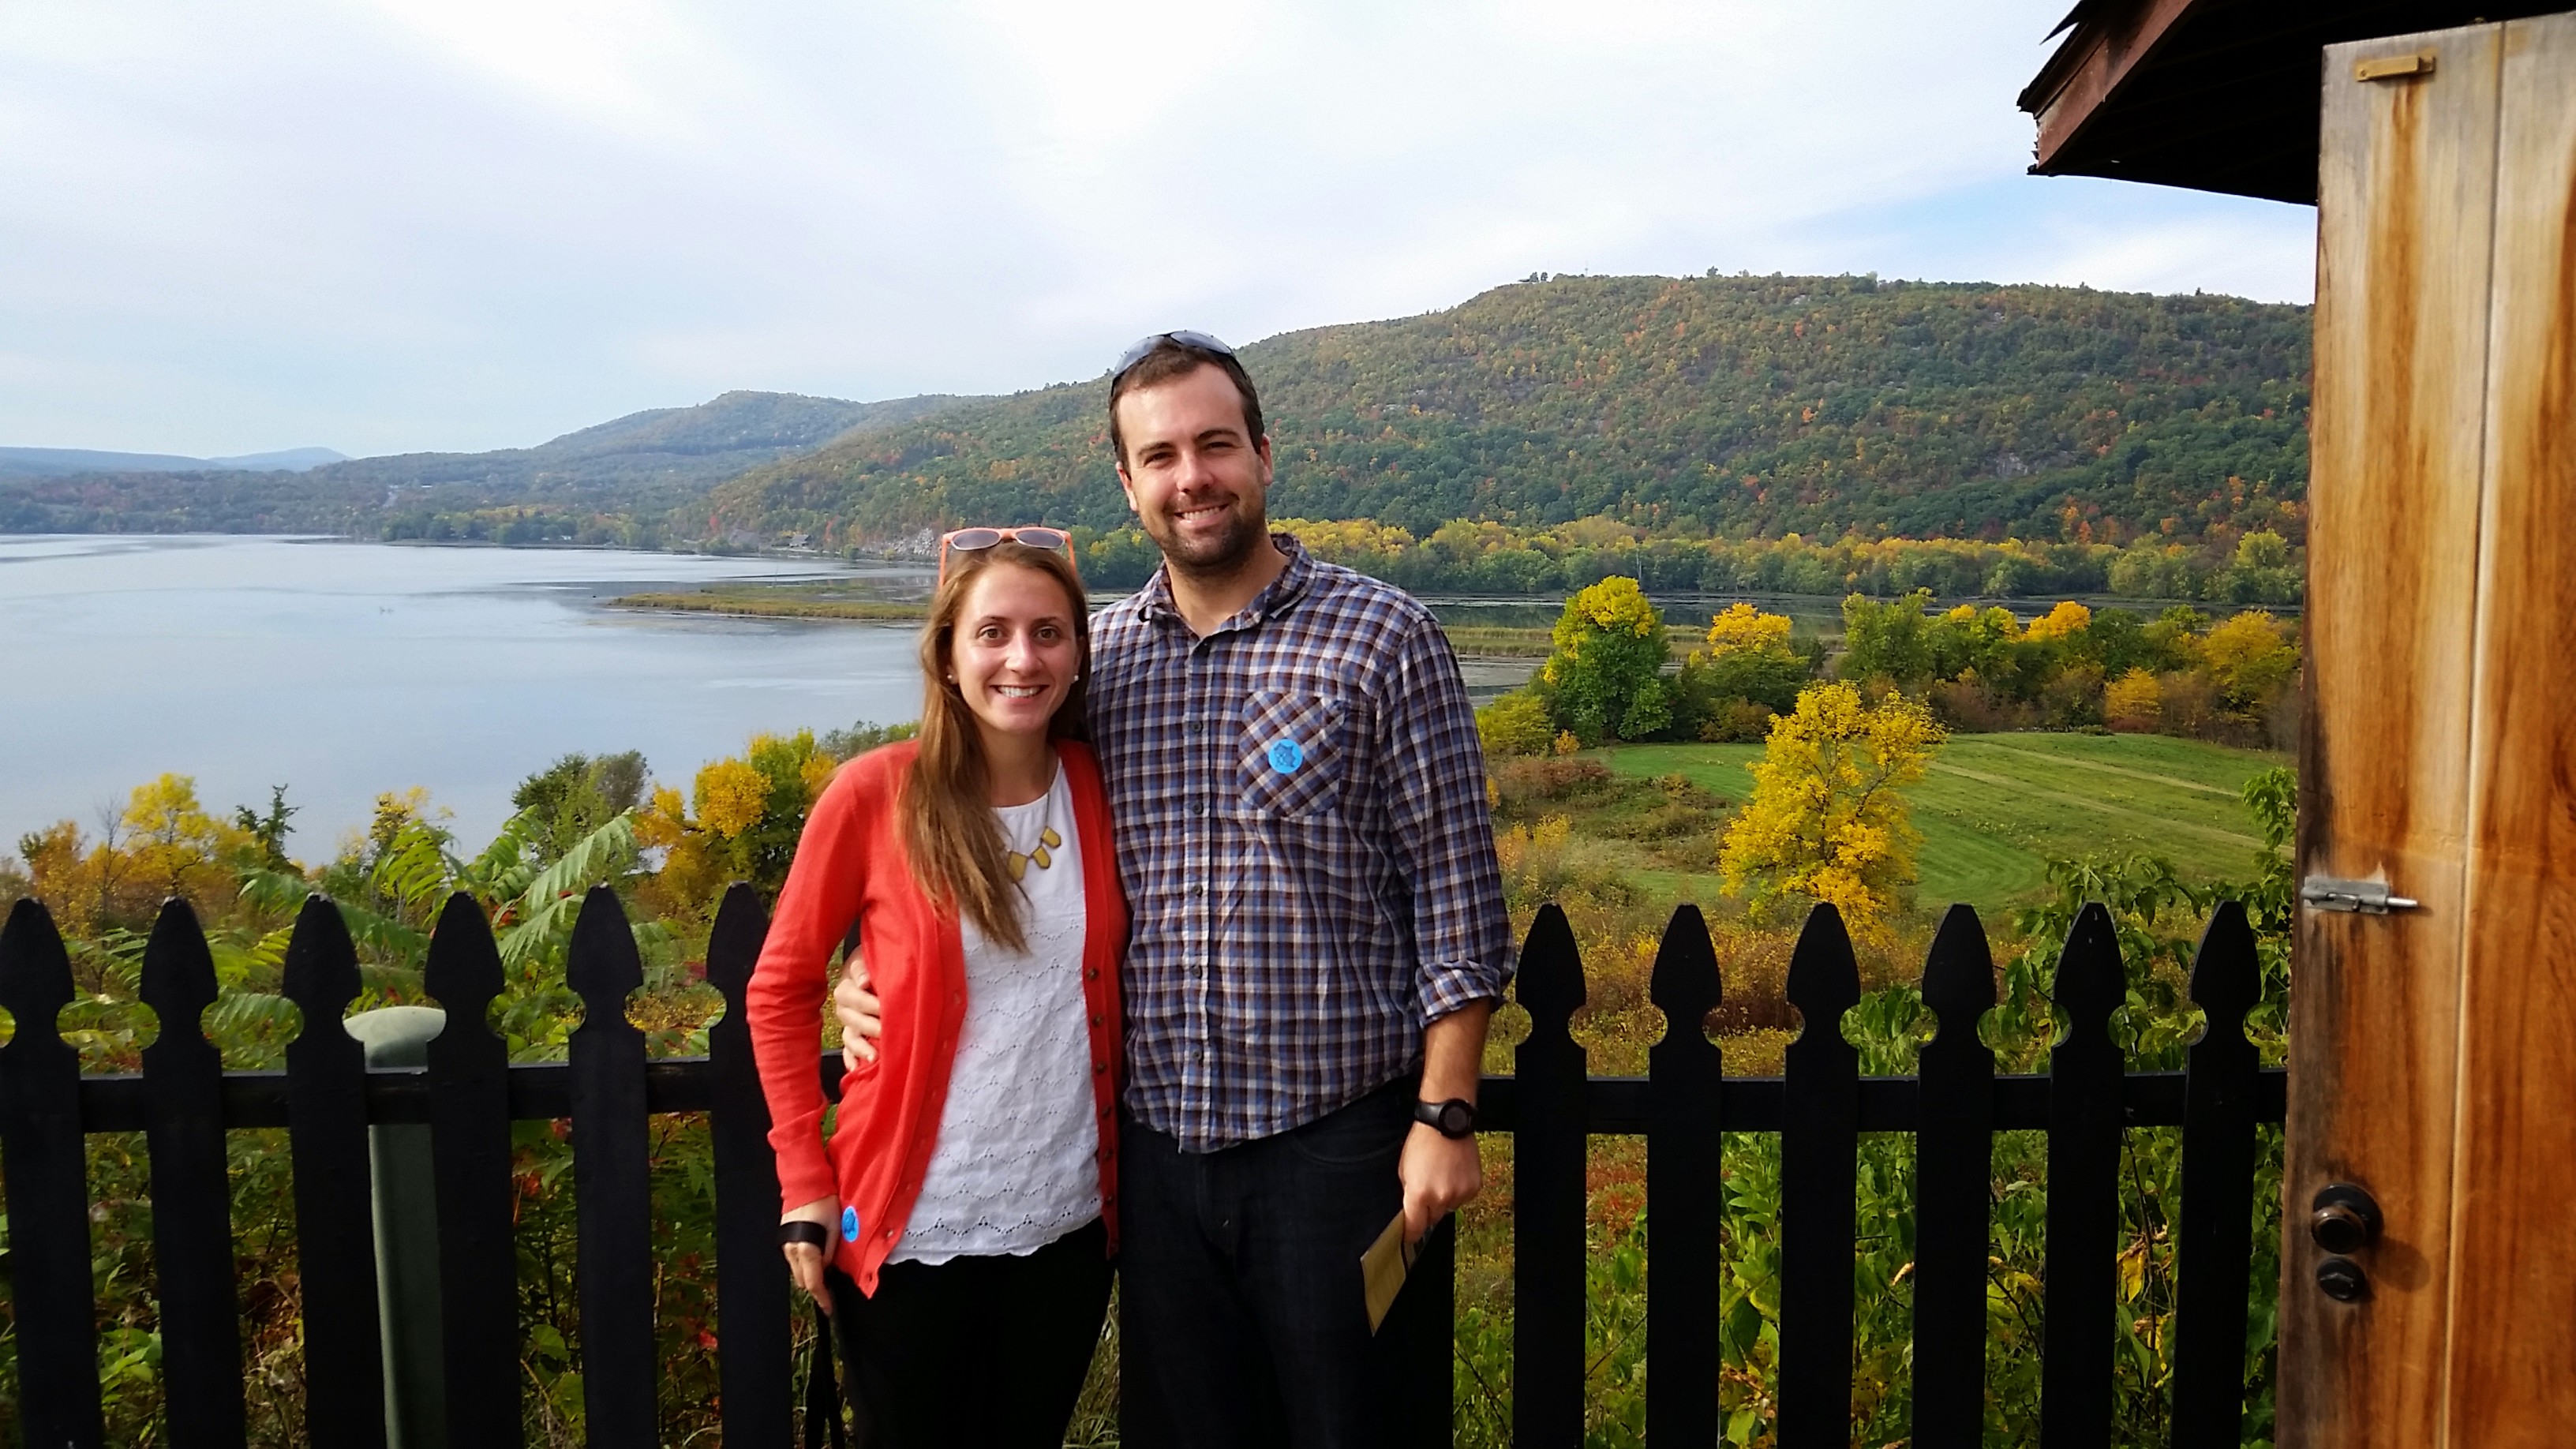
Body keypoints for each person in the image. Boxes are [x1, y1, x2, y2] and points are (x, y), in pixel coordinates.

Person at [839, 332, 1514, 1447]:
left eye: (1213, 445)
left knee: (1360, 1428)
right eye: (1160, 456)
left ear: (1262, 452)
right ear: (1128, 482)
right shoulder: (1100, 665)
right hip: (1155, 1166)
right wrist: (866, 966)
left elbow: (1457, 904)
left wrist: (1445, 1113)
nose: (1190, 476)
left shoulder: (1384, 640)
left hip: (1337, 1152)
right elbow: (982, 832)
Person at [744, 532, 1126, 1448]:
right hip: (915, 1234)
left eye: (1048, 633)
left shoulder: (1098, 785)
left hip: (1066, 1227)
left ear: (1078, 655)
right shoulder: (875, 794)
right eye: (992, 633)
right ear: (949, 658)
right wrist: (804, 1179)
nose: (1022, 659)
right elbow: (778, 989)